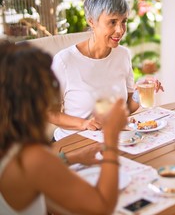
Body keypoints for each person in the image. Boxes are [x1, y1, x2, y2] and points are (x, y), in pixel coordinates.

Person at [0, 42, 129, 214]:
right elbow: (102, 207)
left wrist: (70, 158)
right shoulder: (32, 158)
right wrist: (111, 137)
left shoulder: (9, 145)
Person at [49, 0, 163, 141]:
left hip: (111, 141)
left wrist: (140, 92)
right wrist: (84, 123)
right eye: (112, 22)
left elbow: (127, 107)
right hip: (73, 142)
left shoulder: (123, 55)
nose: (120, 30)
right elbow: (50, 112)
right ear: (91, 21)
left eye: (124, 21)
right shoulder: (64, 61)